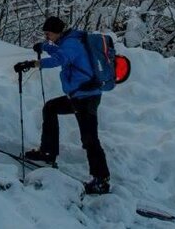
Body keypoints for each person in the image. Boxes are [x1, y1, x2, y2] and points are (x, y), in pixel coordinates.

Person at [13, 16, 111, 195]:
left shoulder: (71, 44)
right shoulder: (69, 41)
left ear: (57, 31)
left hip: (86, 97)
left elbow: (60, 59)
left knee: (89, 138)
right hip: (79, 96)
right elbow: (61, 52)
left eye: (48, 34)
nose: (47, 36)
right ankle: (48, 152)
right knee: (50, 108)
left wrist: (34, 63)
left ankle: (101, 179)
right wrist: (44, 47)